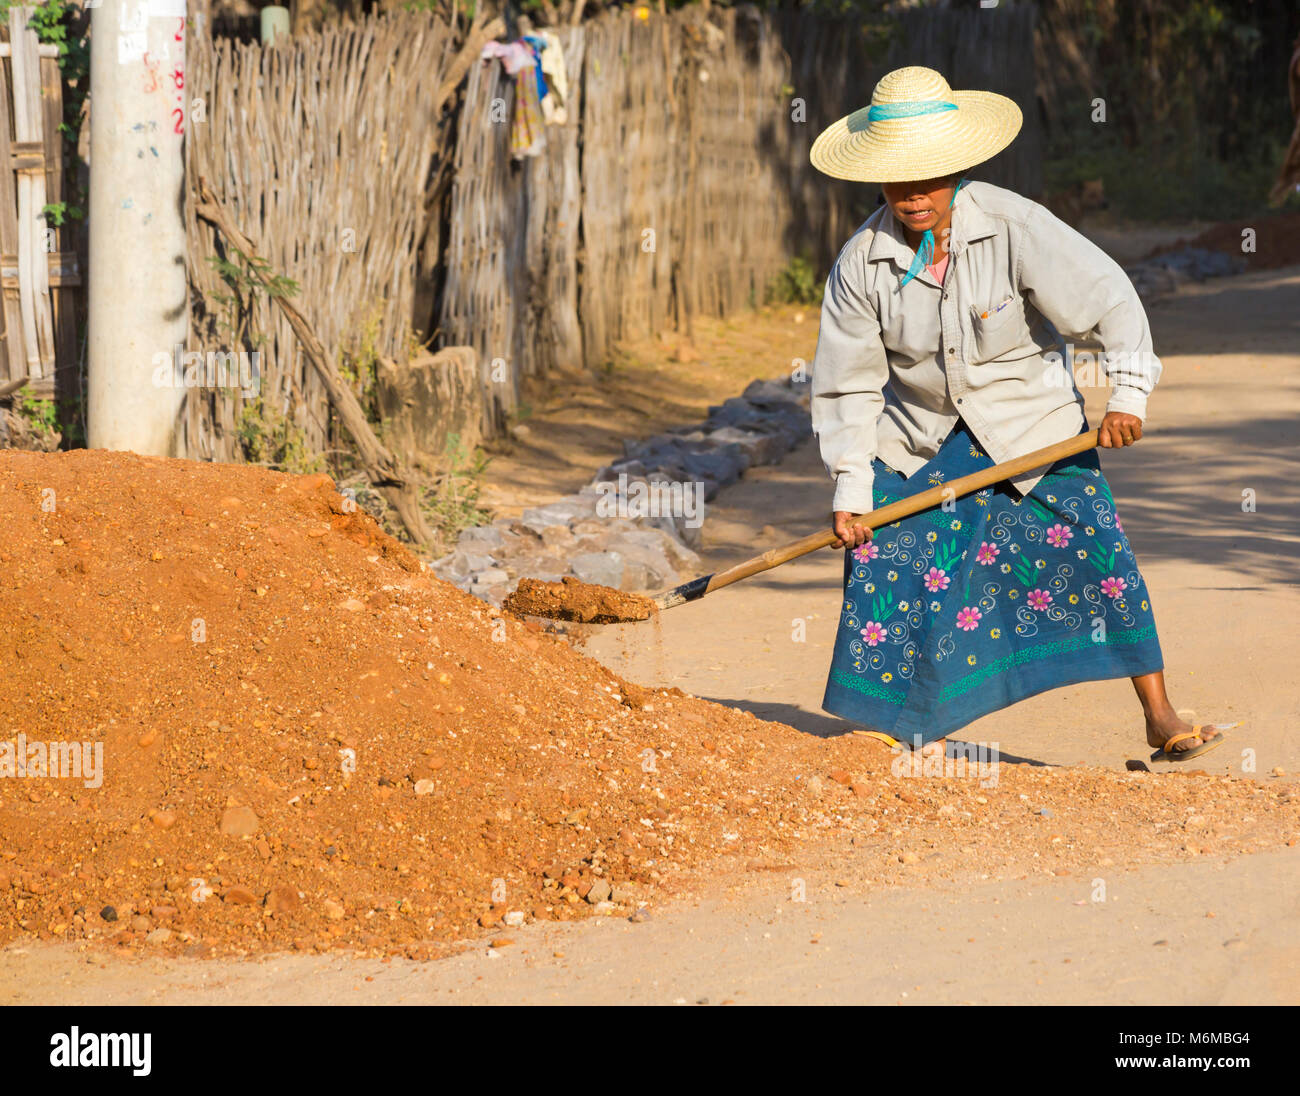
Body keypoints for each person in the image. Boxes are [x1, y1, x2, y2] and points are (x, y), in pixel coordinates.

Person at [807, 66, 1233, 763]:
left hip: (1032, 427)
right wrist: (851, 490)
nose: (914, 194)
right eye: (897, 179)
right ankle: (888, 729)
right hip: (919, 436)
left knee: (1101, 554)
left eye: (930, 176)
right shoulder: (862, 264)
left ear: (957, 167)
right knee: (885, 558)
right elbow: (846, 387)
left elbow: (1110, 301)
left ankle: (1160, 714)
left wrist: (1127, 395)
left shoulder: (1014, 225)